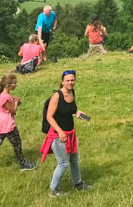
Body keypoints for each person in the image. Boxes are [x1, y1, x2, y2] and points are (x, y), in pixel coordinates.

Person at [41, 69, 94, 197]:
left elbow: (72, 110)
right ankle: (54, 190)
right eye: (68, 80)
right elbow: (49, 117)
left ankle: (78, 184)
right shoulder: (57, 96)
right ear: (62, 82)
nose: (70, 82)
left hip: (71, 133)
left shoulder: (72, 93)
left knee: (74, 160)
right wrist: (60, 132)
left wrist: (78, 113)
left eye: (72, 80)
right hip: (59, 136)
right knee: (63, 163)